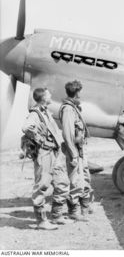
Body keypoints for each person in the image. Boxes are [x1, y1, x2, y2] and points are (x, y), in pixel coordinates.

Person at [22, 88, 70, 230]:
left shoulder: (46, 112)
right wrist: (38, 139)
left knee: (62, 183)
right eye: (49, 94)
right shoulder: (35, 114)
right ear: (43, 97)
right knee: (42, 186)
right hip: (44, 154)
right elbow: (26, 128)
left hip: (55, 153)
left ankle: (57, 216)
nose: (51, 96)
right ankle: (41, 221)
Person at [59, 80, 93, 222]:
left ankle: (85, 207)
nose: (80, 96)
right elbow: (67, 134)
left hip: (79, 149)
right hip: (74, 150)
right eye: (79, 93)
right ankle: (74, 211)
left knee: (84, 177)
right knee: (75, 180)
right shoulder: (68, 109)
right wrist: (73, 154)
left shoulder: (73, 108)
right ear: (76, 93)